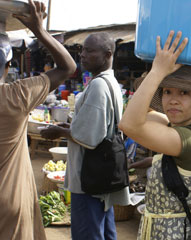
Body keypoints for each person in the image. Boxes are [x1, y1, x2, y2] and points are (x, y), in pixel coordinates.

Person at [119, 31, 191, 239]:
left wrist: (158, 72)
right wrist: (155, 69)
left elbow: (129, 124)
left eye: (184, 93)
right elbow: (141, 113)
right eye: (167, 91)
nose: (173, 100)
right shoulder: (174, 127)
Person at [41, 32, 129, 240]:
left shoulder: (99, 85)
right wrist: (71, 125)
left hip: (88, 177)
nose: (82, 55)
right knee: (104, 232)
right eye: (82, 49)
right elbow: (99, 124)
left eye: (89, 50)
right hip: (102, 175)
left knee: (87, 233)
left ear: (107, 54)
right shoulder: (110, 82)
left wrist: (60, 132)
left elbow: (90, 136)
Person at [0, 1, 76, 239]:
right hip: (9, 203)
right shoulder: (14, 96)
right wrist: (39, 31)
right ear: (8, 65)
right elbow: (67, 67)